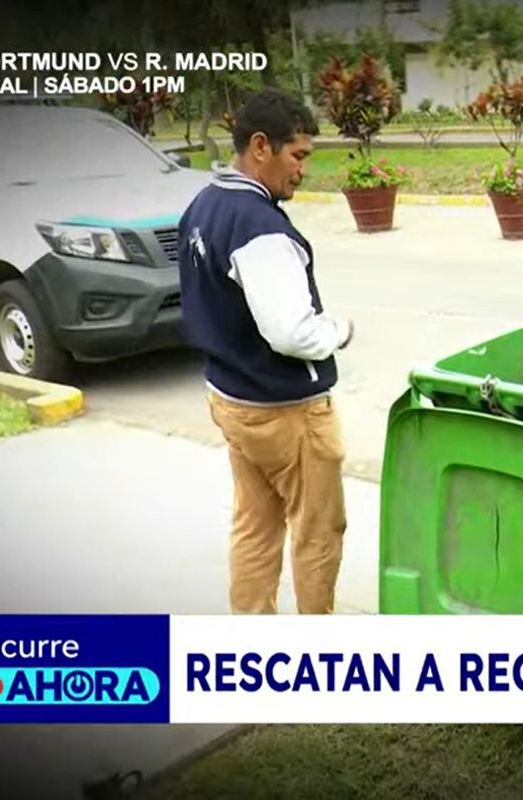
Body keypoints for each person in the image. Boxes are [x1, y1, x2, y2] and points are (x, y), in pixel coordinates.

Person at [178, 89, 354, 615]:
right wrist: (339, 330)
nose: (302, 170)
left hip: (232, 400)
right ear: (261, 147)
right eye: (297, 155)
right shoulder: (260, 228)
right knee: (319, 532)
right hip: (286, 413)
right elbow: (290, 332)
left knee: (255, 525)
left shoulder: (203, 205)